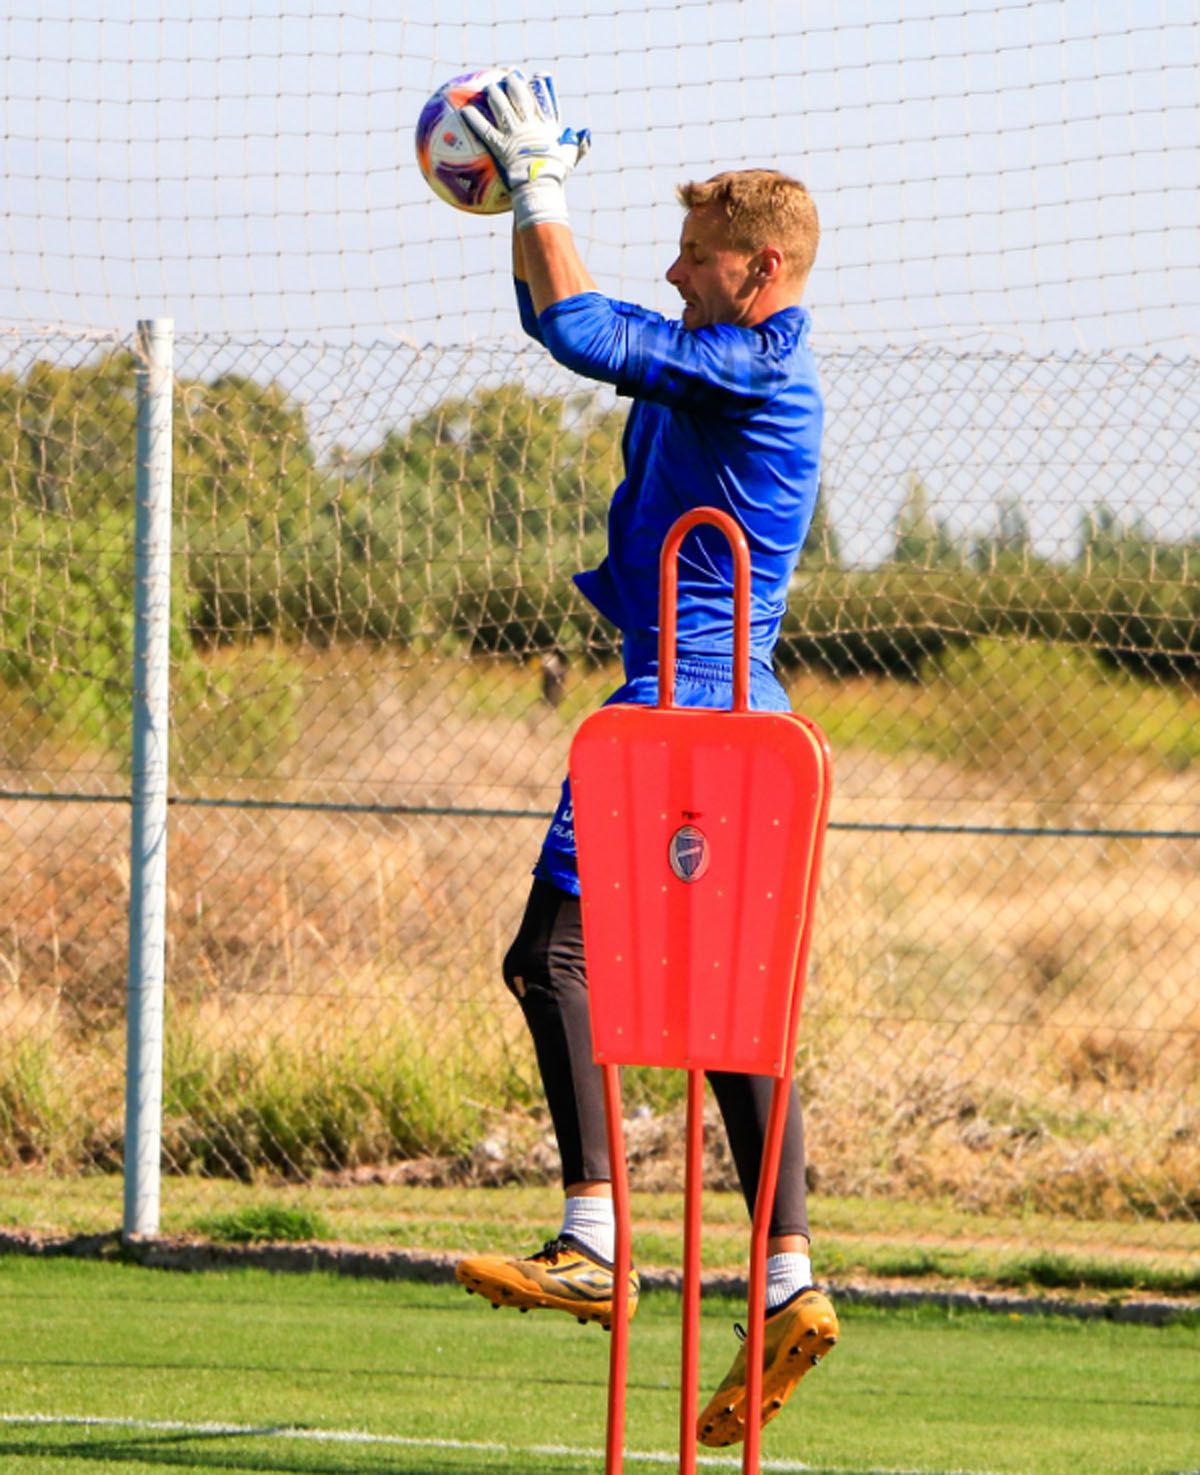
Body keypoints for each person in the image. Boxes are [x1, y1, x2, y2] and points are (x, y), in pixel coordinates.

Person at [452, 70, 838, 1450]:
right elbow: (551, 312)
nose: (673, 276)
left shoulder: (760, 364)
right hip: (721, 711)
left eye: (695, 261)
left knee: (546, 960)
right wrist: (514, 205)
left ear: (763, 271)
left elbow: (573, 323)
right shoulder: (719, 348)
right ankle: (789, 1278)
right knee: (726, 1006)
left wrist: (545, 188)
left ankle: (594, 1238)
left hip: (684, 718)